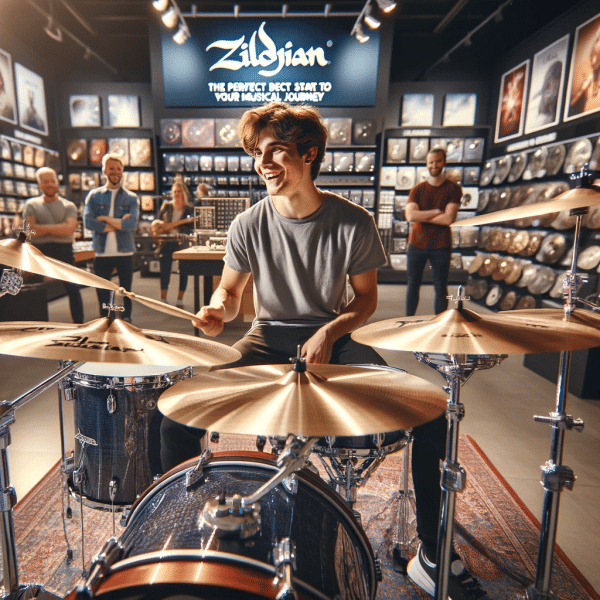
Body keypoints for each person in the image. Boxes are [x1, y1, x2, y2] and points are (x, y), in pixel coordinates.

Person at [173, 102, 484, 600]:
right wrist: (216, 309)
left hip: (333, 338)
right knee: (176, 414)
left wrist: (330, 332)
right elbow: (229, 295)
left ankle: (431, 551)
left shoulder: (353, 221)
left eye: (276, 151)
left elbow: (365, 302)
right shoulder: (247, 225)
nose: (263, 163)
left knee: (430, 415)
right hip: (265, 335)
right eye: (258, 153)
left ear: (310, 153)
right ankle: (187, 536)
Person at [22, 167, 84, 323]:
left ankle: (79, 324)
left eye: (52, 180)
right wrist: (59, 227)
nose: (50, 184)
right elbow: (30, 231)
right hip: (38, 251)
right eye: (45, 181)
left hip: (64, 250)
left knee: (73, 288)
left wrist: (42, 228)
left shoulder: (69, 206)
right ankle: (34, 324)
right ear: (39, 185)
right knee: (32, 289)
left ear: (57, 182)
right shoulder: (31, 205)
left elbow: (69, 230)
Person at [405, 147, 462, 316]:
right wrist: (436, 212)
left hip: (441, 245)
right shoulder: (417, 189)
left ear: (444, 162)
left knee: (440, 285)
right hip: (417, 243)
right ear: (426, 164)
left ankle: (440, 323)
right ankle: (407, 321)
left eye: (438, 161)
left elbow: (448, 219)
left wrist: (421, 216)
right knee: (413, 284)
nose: (434, 165)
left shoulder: (453, 189)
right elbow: (410, 215)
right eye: (431, 162)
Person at [83, 153, 139, 322]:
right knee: (102, 291)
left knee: (126, 291)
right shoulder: (94, 196)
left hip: (125, 252)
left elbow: (132, 224)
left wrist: (105, 218)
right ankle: (107, 320)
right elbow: (88, 222)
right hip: (102, 253)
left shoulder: (131, 198)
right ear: (104, 171)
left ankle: (127, 319)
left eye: (119, 169)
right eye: (111, 168)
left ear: (122, 172)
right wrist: (119, 223)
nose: (115, 172)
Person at [151, 180, 194, 307]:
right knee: (164, 270)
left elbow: (190, 228)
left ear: (184, 193)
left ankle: (180, 299)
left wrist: (169, 228)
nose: (177, 194)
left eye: (179, 191)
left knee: (184, 271)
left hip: (181, 244)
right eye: (175, 191)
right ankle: (163, 299)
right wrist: (165, 228)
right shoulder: (166, 206)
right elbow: (159, 226)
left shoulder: (189, 208)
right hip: (166, 243)